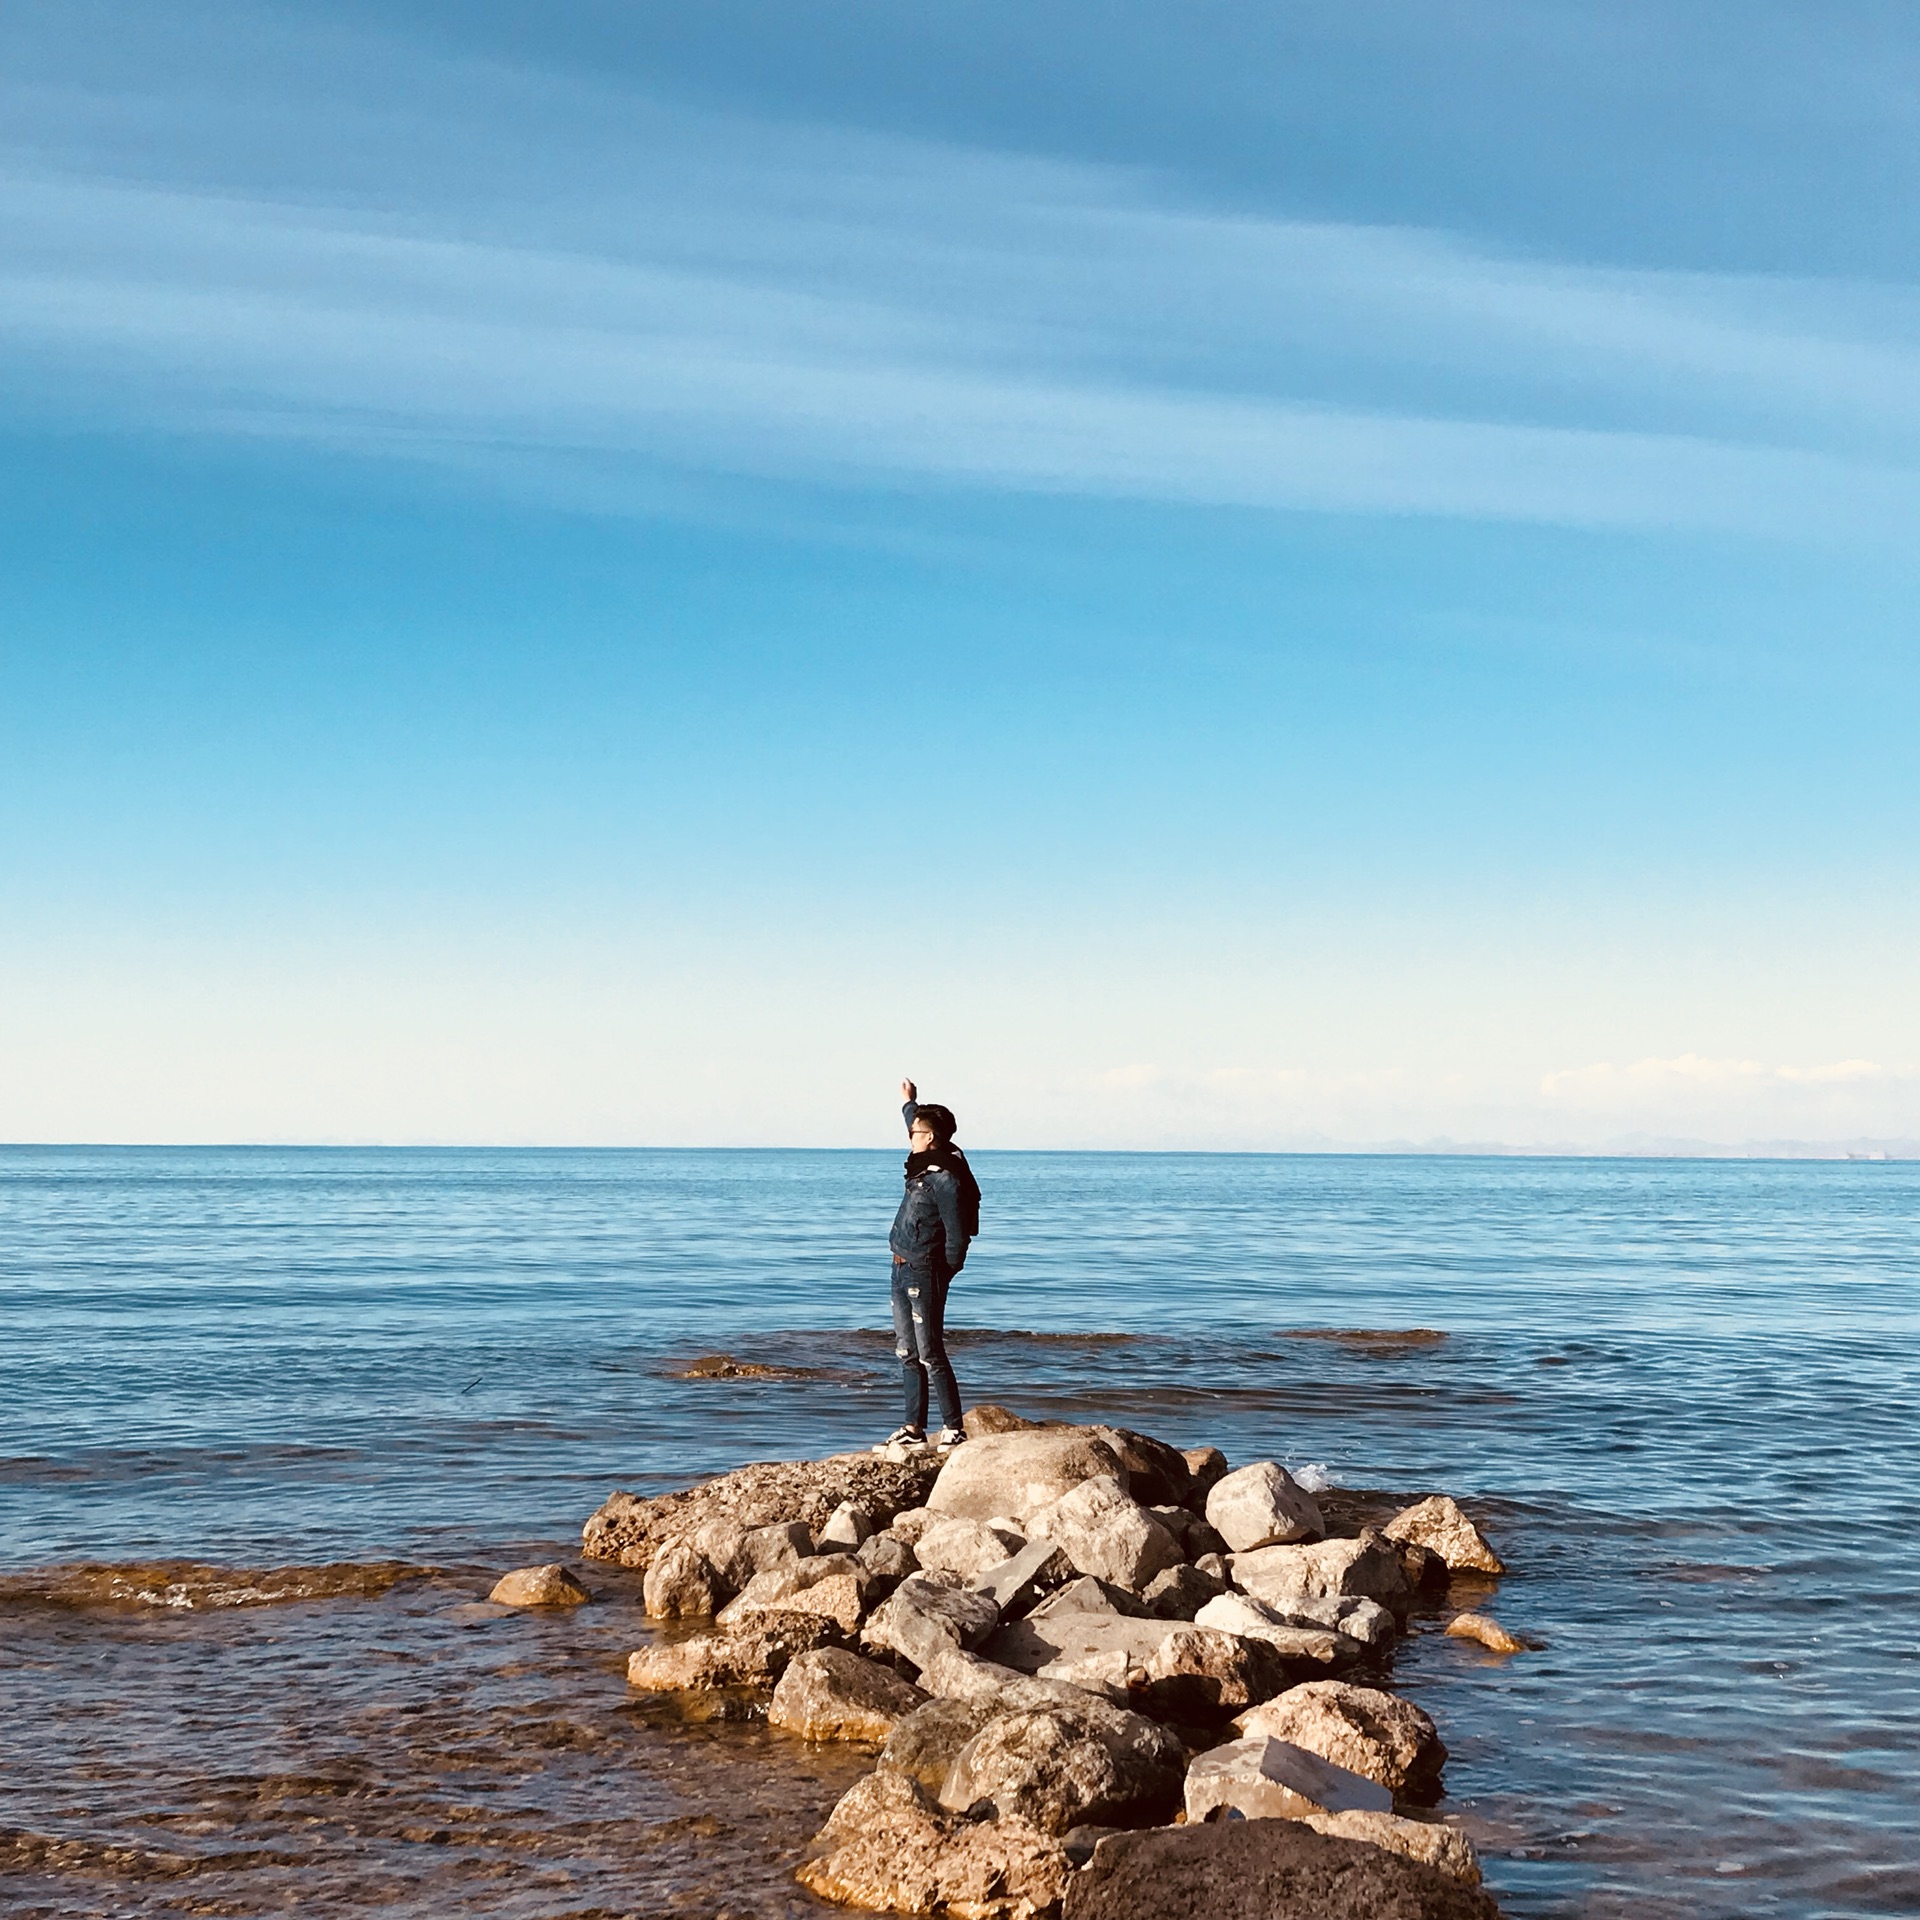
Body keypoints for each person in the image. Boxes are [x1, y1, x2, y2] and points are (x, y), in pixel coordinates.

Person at [879, 1078, 980, 1451]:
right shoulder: (924, 1163)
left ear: (931, 1138)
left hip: (926, 1270)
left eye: (915, 1132)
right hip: (900, 1265)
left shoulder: (945, 1179)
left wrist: (946, 1270)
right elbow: (915, 1121)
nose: (910, 1136)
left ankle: (953, 1428)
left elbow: (958, 1237)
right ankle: (913, 1429)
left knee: (930, 1352)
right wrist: (910, 1102)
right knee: (906, 1351)